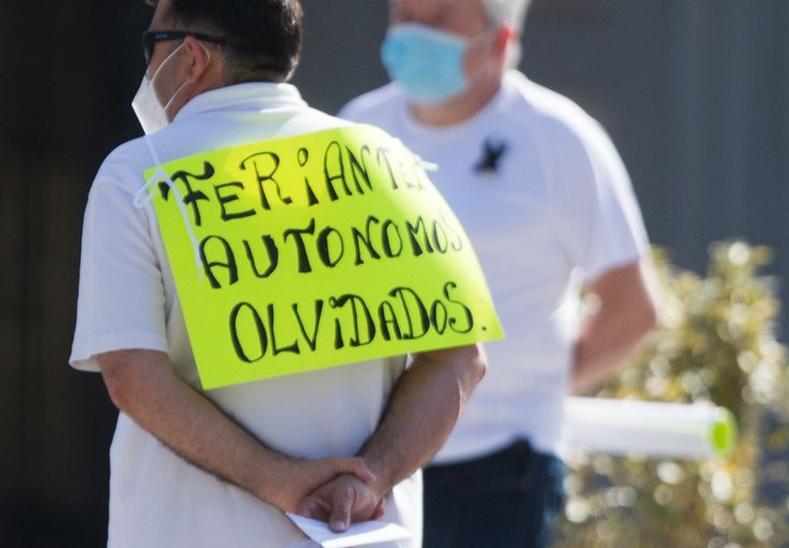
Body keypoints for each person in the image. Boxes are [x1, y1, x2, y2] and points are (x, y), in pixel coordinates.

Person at [69, 0, 490, 546]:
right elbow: (462, 357)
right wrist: (370, 479)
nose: (147, 69)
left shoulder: (137, 176)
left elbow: (131, 375)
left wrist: (282, 484)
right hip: (361, 537)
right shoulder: (385, 161)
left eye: (153, 46)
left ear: (192, 58)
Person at [339, 0, 659, 546]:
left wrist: (532, 392)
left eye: (439, 19)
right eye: (404, 16)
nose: (416, 32)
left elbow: (632, 309)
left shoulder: (560, 138)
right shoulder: (355, 129)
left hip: (502, 468)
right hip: (372, 463)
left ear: (500, 40)